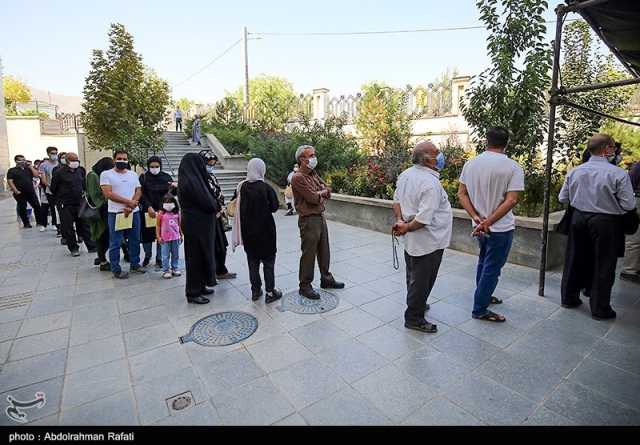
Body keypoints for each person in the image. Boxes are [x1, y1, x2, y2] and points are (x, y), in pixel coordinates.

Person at [559, 134, 637, 320]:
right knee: (604, 263)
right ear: (607, 149)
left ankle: (569, 298)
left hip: (578, 218)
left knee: (574, 258)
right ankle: (600, 308)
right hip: (606, 222)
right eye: (613, 148)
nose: (615, 151)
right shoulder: (618, 174)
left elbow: (562, 198)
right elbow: (628, 205)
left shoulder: (575, 171)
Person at [457, 127, 525, 323]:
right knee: (492, 267)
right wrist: (488, 222)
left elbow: (462, 194)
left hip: (479, 226)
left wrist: (477, 218)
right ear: (507, 143)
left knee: (484, 261)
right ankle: (480, 309)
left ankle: (483, 295)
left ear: (486, 141)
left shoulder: (471, 164)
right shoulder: (513, 167)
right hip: (500, 228)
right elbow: (511, 200)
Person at [393, 141, 452, 333]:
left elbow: (396, 201)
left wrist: (401, 221)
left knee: (413, 275)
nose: (440, 155)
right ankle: (414, 318)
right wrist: (406, 227)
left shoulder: (406, 175)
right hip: (428, 240)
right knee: (422, 279)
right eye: (436, 152)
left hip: (414, 239)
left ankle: (417, 304)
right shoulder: (430, 183)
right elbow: (424, 218)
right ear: (427, 158)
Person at [291, 145, 345, 300]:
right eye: (311, 155)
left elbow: (327, 189)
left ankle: (326, 279)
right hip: (308, 219)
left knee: (324, 250)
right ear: (302, 159)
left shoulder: (313, 174)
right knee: (309, 254)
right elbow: (313, 198)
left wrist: (321, 192)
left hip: (320, 216)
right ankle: (305, 285)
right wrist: (321, 193)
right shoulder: (298, 178)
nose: (314, 158)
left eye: (314, 155)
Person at [232, 158, 283, 303]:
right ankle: (270, 292)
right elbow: (274, 207)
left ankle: (255, 291)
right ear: (262, 169)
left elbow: (235, 202)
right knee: (268, 263)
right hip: (266, 232)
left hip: (248, 233)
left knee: (252, 263)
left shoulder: (241, 187)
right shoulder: (266, 188)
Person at [178, 153, 219, 304]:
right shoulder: (191, 182)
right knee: (195, 258)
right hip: (196, 226)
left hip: (201, 226)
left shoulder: (194, 179)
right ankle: (193, 292)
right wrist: (215, 205)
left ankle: (201, 285)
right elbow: (208, 202)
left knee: (202, 256)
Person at [100, 150, 145, 279]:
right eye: (119, 158)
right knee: (115, 242)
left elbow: (138, 190)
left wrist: (133, 204)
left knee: (135, 239)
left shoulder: (132, 174)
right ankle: (116, 268)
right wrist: (128, 203)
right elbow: (108, 194)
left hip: (133, 212)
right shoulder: (106, 174)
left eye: (125, 159)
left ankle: (135, 264)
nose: (122, 161)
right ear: (114, 160)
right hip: (116, 213)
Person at [50, 152, 94, 257]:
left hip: (79, 202)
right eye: (72, 160)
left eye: (76, 160)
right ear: (67, 161)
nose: (75, 162)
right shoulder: (59, 172)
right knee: (68, 227)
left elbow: (83, 185)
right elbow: (53, 188)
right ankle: (73, 248)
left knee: (84, 224)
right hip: (65, 204)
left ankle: (91, 246)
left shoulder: (80, 170)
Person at [205, 152, 237, 280]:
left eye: (213, 164)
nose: (211, 167)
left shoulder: (211, 176)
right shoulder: (202, 178)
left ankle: (220, 270)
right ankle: (216, 271)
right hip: (210, 217)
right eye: (209, 164)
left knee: (221, 245)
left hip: (218, 215)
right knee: (216, 246)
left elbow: (218, 192)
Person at [139, 156, 175, 269]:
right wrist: (148, 206)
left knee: (161, 235)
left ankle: (159, 258)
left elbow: (170, 194)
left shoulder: (166, 177)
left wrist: (162, 208)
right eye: (152, 166)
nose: (154, 168)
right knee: (147, 236)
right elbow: (142, 194)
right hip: (147, 212)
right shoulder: (144, 178)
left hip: (163, 212)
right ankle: (147, 255)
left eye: (157, 166)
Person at [86, 157, 114, 271]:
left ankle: (100, 256)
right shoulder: (93, 175)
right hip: (99, 211)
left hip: (105, 209)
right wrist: (108, 199)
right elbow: (95, 195)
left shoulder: (101, 175)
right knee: (101, 235)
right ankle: (102, 260)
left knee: (106, 235)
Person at [7, 154, 46, 229]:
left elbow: (36, 175)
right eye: (20, 160)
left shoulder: (28, 169)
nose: (23, 161)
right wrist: (15, 190)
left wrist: (31, 167)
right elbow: (10, 181)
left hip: (30, 191)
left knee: (37, 205)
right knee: (22, 207)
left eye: (24, 159)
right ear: (16, 161)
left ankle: (39, 221)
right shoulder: (12, 170)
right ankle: (26, 223)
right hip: (19, 192)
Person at [620, 160, 640, 284]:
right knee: (635, 238)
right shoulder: (638, 166)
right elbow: (629, 183)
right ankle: (629, 271)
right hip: (638, 200)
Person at [156, 194, 183, 279]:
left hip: (175, 237)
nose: (168, 204)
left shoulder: (177, 213)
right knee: (165, 255)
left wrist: (181, 234)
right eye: (166, 202)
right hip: (165, 238)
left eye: (170, 202)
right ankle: (166, 270)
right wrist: (158, 236)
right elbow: (158, 226)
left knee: (175, 254)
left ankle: (175, 268)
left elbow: (179, 224)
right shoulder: (161, 214)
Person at [39, 146, 60, 234]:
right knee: (52, 207)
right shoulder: (44, 165)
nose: (54, 155)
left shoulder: (59, 163)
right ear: (48, 154)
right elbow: (43, 180)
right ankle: (45, 224)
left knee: (58, 208)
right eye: (52, 153)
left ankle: (55, 223)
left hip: (60, 190)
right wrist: (51, 186)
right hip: (50, 190)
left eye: (56, 153)